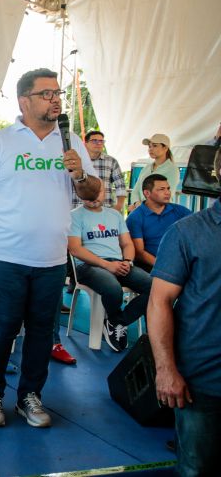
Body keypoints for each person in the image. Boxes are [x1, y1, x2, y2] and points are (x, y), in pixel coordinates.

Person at [0, 68, 100, 428]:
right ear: (24, 101)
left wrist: (80, 174)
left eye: (57, 93)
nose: (55, 100)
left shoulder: (72, 142)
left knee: (41, 329)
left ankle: (30, 395)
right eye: (46, 93)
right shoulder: (0, 142)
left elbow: (93, 193)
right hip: (5, 256)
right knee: (4, 325)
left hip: (51, 257)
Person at [147, 147, 221, 476]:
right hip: (204, 378)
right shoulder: (188, 232)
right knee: (196, 468)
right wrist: (165, 369)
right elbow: (158, 302)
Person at [68, 192, 152, 352]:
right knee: (113, 289)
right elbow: (75, 249)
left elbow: (127, 243)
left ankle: (117, 322)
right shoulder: (75, 215)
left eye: (96, 192)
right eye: (88, 192)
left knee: (155, 287)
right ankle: (116, 321)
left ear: (104, 192)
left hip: (118, 263)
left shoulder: (115, 215)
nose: (92, 197)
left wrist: (127, 261)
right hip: (88, 266)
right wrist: (106, 265)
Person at [126, 174, 192, 272]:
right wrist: (165, 266)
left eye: (168, 188)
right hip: (152, 267)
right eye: (161, 189)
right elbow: (139, 253)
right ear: (147, 193)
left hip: (181, 264)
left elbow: (199, 233)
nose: (167, 193)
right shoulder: (135, 217)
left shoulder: (181, 211)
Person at [71, 130, 127, 212]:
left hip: (104, 210)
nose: (99, 143)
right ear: (85, 143)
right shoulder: (75, 161)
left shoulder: (111, 161)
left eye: (101, 141)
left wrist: (118, 207)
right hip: (77, 208)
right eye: (94, 141)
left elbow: (121, 186)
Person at [129, 133, 180, 208]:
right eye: (149, 146)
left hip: (160, 212)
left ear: (165, 148)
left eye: (155, 146)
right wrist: (136, 203)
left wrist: (141, 206)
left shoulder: (172, 170)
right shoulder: (146, 168)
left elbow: (164, 195)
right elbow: (136, 190)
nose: (151, 149)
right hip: (142, 210)